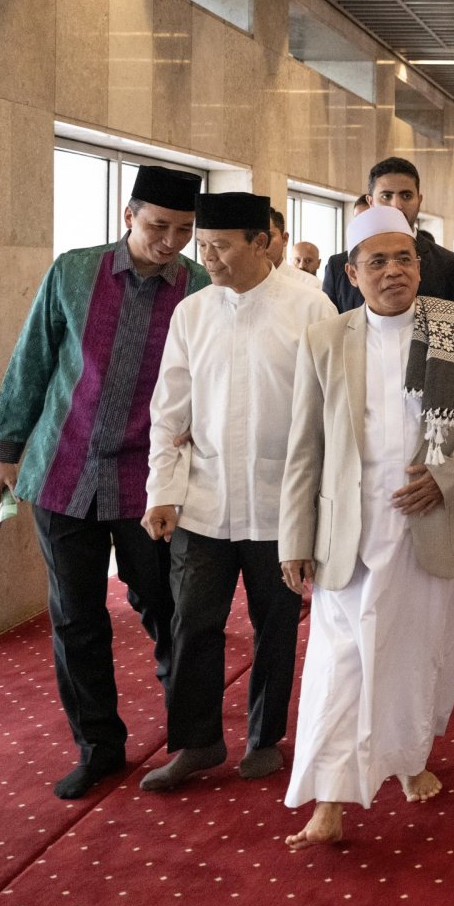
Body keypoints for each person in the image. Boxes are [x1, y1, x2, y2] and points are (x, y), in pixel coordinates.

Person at [278, 206, 454, 850]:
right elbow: (305, 446)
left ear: (420, 266)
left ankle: (408, 760)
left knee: (417, 659)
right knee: (339, 665)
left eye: (403, 258)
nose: (392, 271)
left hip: (429, 523)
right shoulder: (327, 339)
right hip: (349, 534)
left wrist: (448, 476)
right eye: (376, 261)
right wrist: (294, 538)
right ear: (352, 274)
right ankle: (329, 800)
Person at [0, 166, 207, 799]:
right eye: (159, 226)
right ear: (128, 215)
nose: (170, 242)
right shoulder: (74, 272)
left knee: (166, 606)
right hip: (64, 469)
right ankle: (99, 747)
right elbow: (31, 362)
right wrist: (5, 452)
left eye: (184, 231)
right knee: (75, 618)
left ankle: (189, 738)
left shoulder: (198, 289)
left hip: (149, 482)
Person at [139, 192, 335, 790]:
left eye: (220, 246)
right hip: (206, 501)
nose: (208, 257)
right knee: (192, 623)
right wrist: (161, 491)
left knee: (275, 626)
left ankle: (264, 738)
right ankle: (197, 743)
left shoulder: (311, 307)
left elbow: (333, 411)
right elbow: (169, 412)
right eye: (203, 245)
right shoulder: (192, 313)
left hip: (281, 505)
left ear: (262, 243)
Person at [322, 159, 454, 313]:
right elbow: (330, 324)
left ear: (419, 200)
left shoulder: (449, 265)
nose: (396, 206)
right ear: (370, 201)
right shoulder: (338, 267)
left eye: (406, 196)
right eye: (386, 196)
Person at [267, 208, 321, 290]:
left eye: (269, 236)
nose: (260, 244)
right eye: (251, 238)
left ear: (284, 239)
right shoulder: (246, 284)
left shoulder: (312, 286)